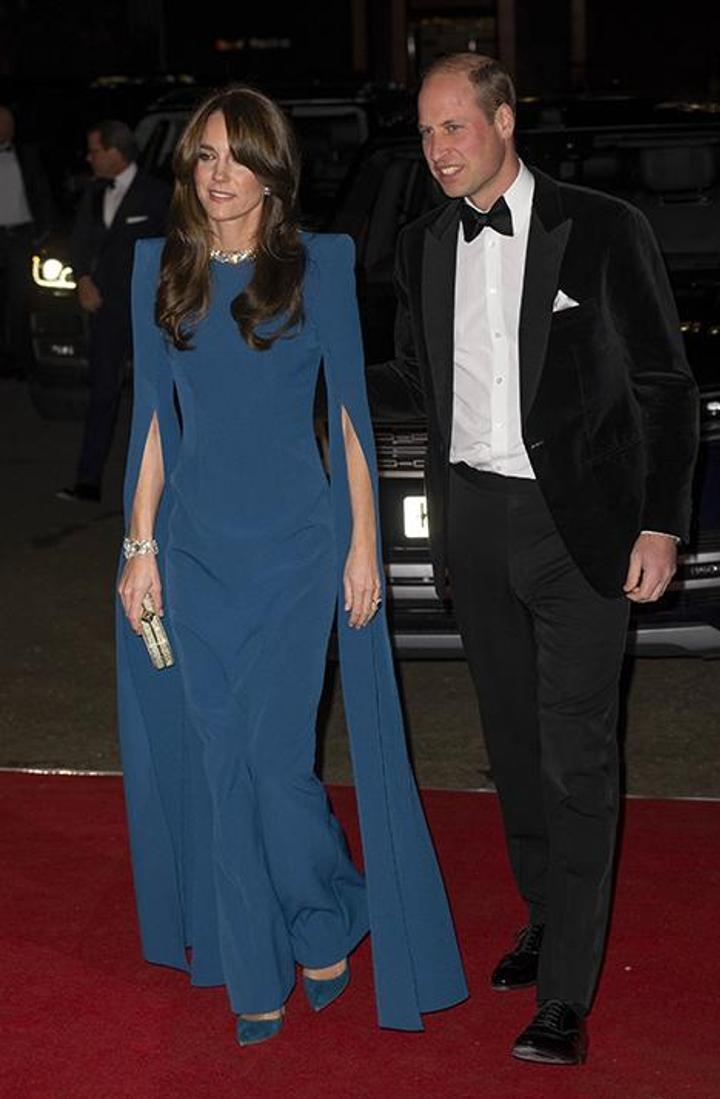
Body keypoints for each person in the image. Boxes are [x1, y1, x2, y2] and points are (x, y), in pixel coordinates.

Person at [115, 85, 467, 1047]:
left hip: (297, 551)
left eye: (237, 157)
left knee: (276, 764)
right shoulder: (162, 269)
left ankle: (328, 908)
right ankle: (256, 963)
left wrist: (364, 544)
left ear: (273, 169)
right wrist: (139, 547)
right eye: (204, 157)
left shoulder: (319, 265)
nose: (218, 175)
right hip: (194, 554)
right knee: (220, 759)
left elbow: (350, 416)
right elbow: (153, 424)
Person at [367, 54, 699, 1066]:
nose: (437, 150)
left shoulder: (600, 227)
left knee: (575, 755)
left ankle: (565, 995)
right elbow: (409, 377)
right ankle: (545, 913)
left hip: (579, 528)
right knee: (512, 748)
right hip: (473, 520)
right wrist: (299, 358)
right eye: (426, 131)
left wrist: (660, 522)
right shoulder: (423, 243)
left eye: (454, 127)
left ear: (505, 120)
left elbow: (662, 383)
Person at [57, 120, 169, 503]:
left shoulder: (157, 194)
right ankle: (88, 481)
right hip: (106, 311)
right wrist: (83, 279)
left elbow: (175, 247)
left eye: (95, 150)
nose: (89, 158)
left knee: (156, 398)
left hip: (148, 313)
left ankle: (163, 486)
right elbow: (78, 242)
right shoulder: (93, 192)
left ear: (116, 152)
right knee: (102, 394)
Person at [0, 103, 53, 377]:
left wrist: (42, 233)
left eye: (7, 123)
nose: (4, 128)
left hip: (20, 237)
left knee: (20, 299)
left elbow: (42, 192)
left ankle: (19, 359)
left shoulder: (27, 155)